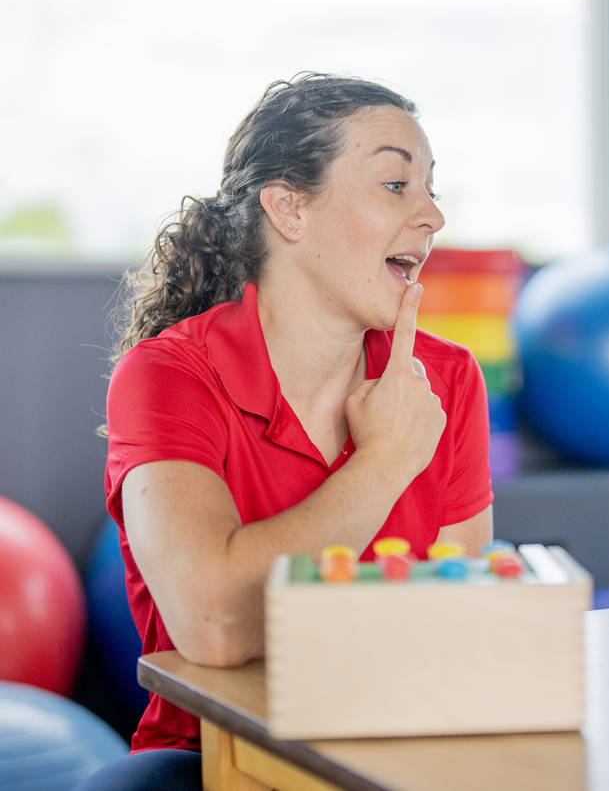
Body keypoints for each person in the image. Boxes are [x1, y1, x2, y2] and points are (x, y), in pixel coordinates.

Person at [80, 74, 492, 790]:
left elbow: (452, 629)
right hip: (215, 760)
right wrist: (385, 461)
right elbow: (217, 626)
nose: (431, 216)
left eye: (432, 188)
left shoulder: (447, 380)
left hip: (400, 745)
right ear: (289, 208)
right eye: (396, 184)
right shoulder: (167, 376)